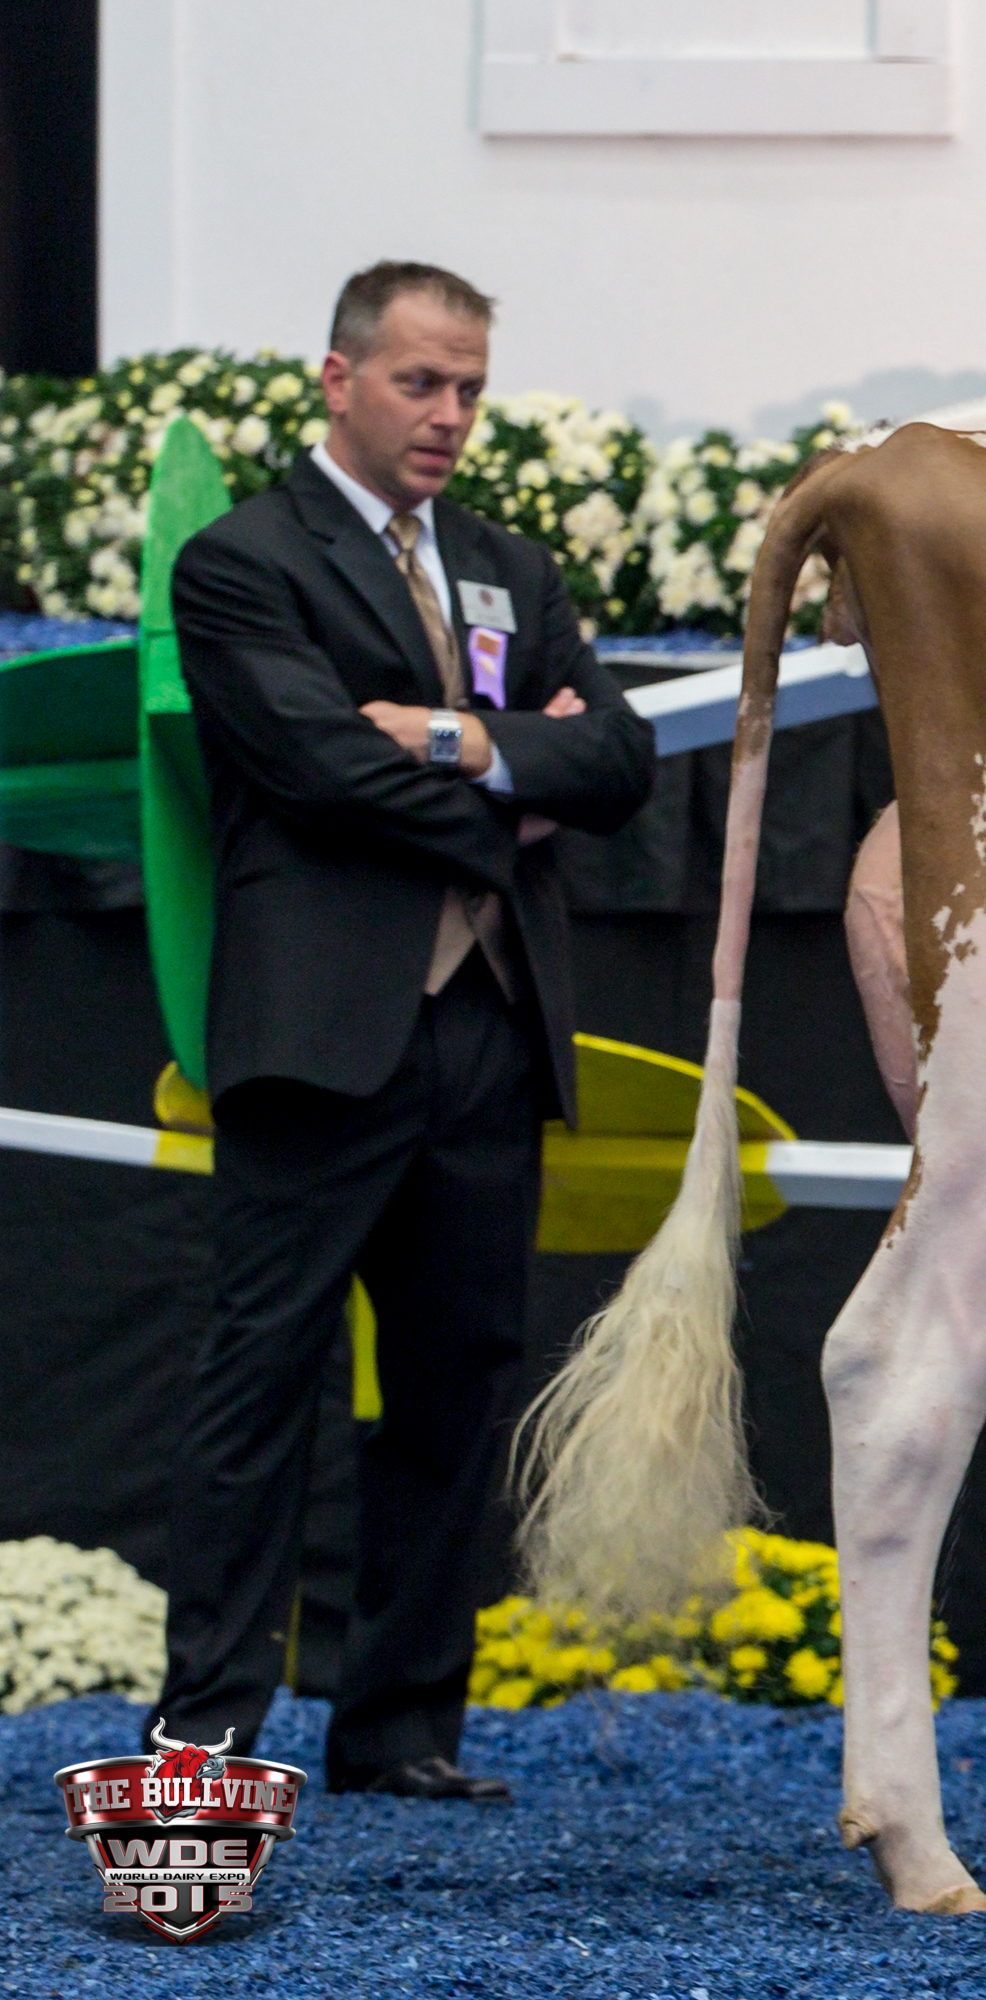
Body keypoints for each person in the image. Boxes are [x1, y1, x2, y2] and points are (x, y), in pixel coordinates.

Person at [155, 263, 655, 1798]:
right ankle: (209, 1737)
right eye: (419, 382)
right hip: (321, 1032)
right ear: (339, 379)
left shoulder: (508, 566)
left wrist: (448, 739)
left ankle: (401, 1728)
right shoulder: (244, 561)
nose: (448, 415)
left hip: (492, 1027)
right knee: (263, 1384)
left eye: (469, 389)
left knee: (457, 1382)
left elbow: (622, 759)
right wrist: (517, 789)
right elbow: (316, 771)